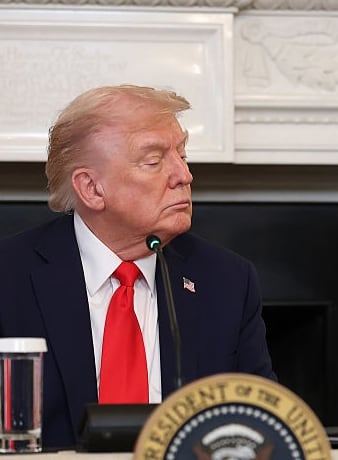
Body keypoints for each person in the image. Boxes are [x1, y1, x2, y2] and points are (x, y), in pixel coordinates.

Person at [0, 85, 275, 449]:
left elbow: (263, 423)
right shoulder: (9, 277)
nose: (183, 175)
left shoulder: (226, 280)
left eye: (182, 154)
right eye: (154, 160)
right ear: (92, 189)